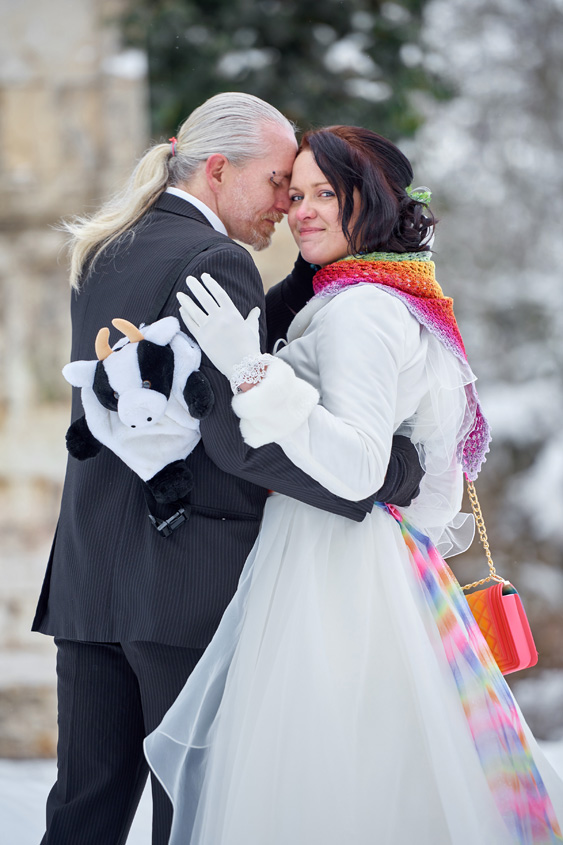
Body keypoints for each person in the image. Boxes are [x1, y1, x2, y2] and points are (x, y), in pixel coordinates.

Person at [145, 125, 563, 844]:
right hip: (356, 559)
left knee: (323, 772)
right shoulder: (385, 292)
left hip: (331, 564)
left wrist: (252, 372)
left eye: (324, 195)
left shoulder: (363, 311)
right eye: (295, 194)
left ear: (366, 202)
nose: (301, 211)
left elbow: (357, 466)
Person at [32, 95, 422, 845]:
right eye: (279, 181)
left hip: (89, 576)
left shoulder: (108, 245)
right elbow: (239, 440)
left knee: (84, 812)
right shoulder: (216, 261)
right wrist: (385, 473)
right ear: (217, 169)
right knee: (197, 811)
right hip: (185, 585)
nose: (287, 202)